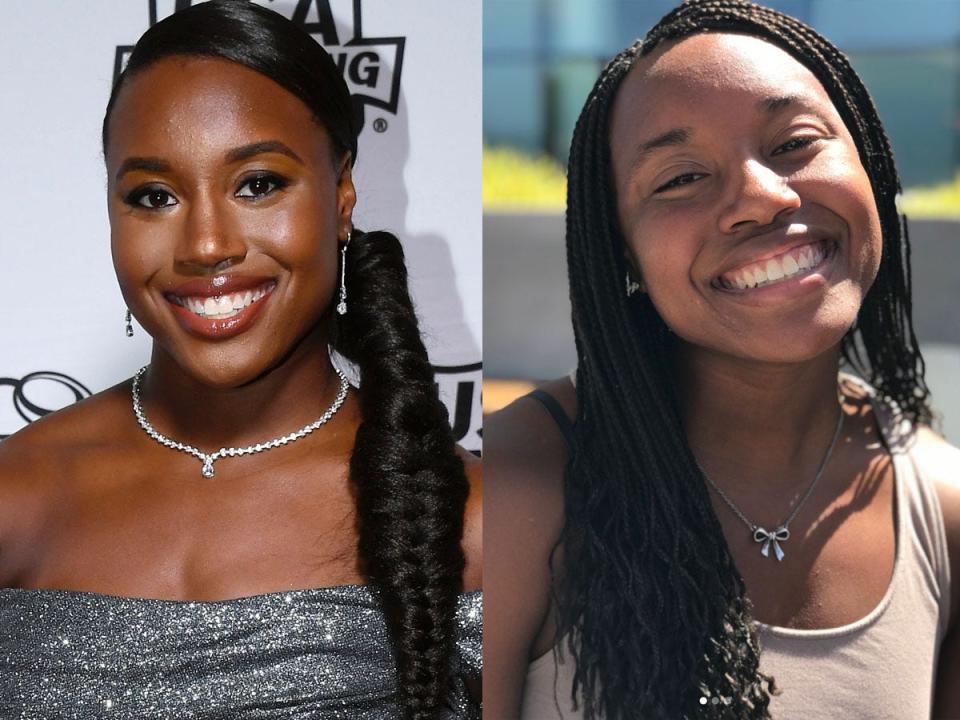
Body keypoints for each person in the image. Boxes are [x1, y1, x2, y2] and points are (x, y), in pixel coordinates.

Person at [0, 3, 481, 719]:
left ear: (341, 193)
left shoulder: (465, 517)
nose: (205, 245)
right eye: (153, 196)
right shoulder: (17, 494)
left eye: (257, 184)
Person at [486, 1, 960, 718]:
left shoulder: (943, 508)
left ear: (870, 162)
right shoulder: (513, 487)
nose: (762, 198)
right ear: (624, 253)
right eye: (680, 178)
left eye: (795, 142)